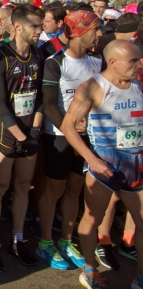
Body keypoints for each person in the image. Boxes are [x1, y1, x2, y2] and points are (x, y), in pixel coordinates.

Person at [60, 40, 143, 289]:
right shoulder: (93, 87)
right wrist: (92, 159)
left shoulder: (137, 83)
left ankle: (140, 276)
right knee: (92, 217)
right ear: (113, 62)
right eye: (133, 61)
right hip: (106, 162)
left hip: (136, 162)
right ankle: (90, 269)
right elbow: (67, 126)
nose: (139, 65)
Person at [36, 9, 101, 271]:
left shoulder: (97, 60)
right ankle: (45, 242)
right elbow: (49, 105)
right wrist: (72, 128)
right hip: (59, 137)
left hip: (87, 137)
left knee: (75, 190)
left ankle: (65, 239)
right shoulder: (55, 62)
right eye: (95, 29)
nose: (99, 34)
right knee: (54, 190)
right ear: (80, 32)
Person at [0, 4, 45, 270]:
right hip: (7, 133)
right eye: (35, 26)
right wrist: (21, 135)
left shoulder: (38, 54)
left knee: (23, 186)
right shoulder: (0, 57)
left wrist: (34, 129)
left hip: (30, 132)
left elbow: (41, 96)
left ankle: (18, 240)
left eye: (41, 26)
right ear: (17, 26)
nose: (40, 31)